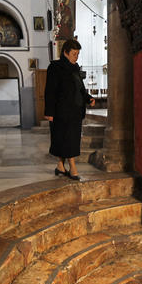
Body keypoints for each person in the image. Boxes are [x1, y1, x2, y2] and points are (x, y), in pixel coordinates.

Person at [44, 39, 95, 181]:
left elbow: (80, 89)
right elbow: (50, 91)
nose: (76, 57)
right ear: (65, 52)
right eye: (73, 54)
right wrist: (49, 112)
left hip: (75, 112)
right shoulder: (55, 67)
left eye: (78, 54)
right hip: (60, 112)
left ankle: (60, 167)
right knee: (68, 140)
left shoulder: (75, 68)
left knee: (66, 140)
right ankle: (73, 168)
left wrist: (88, 98)